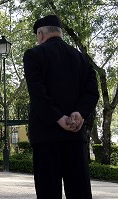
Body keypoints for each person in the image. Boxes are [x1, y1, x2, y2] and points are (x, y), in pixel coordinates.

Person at [23, 15, 99, 199]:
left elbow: (38, 93)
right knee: (79, 191)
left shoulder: (34, 55)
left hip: (46, 135)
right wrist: (79, 114)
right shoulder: (82, 59)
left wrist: (57, 117)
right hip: (75, 135)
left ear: (40, 34)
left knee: (48, 192)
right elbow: (92, 93)